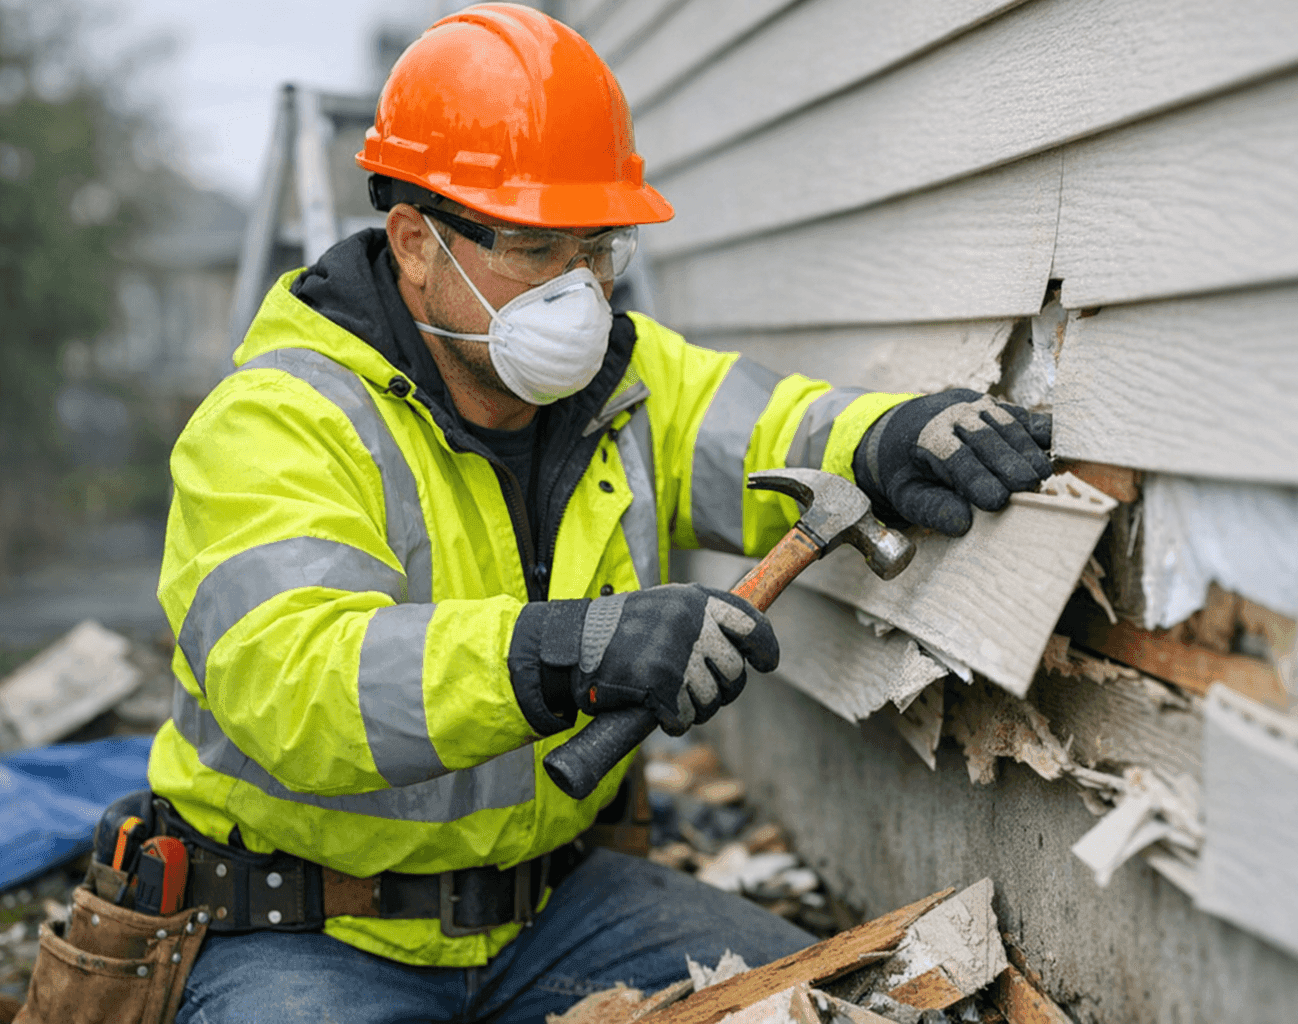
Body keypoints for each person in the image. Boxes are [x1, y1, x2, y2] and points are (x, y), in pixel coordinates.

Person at [149, 6, 1052, 1022]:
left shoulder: (623, 380)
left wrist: (886, 438)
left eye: (597, 249)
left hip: (551, 909)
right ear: (414, 244)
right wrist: (566, 650)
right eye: (536, 248)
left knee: (829, 1003)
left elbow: (772, 430)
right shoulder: (278, 421)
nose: (578, 293)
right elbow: (298, 686)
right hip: (308, 934)